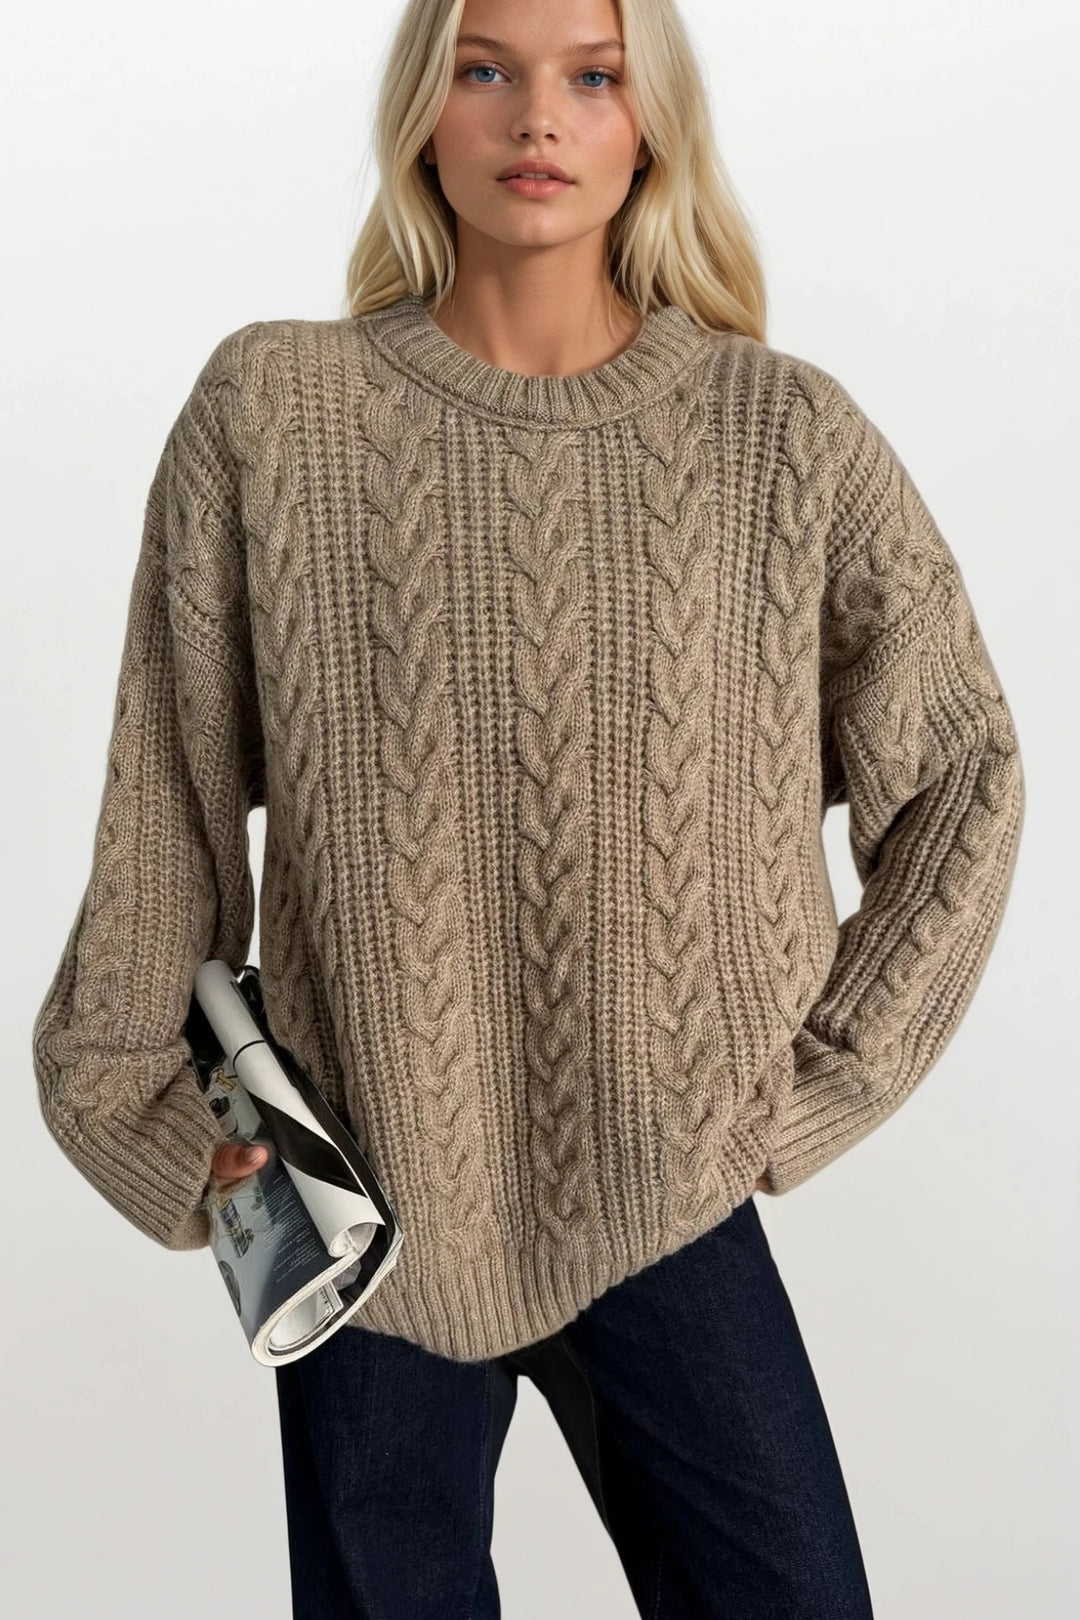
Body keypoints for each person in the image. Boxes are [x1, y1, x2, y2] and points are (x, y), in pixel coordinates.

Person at [31, 0, 1025, 1615]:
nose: (535, 117)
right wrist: (166, 1135)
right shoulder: (272, 414)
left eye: (592, 76)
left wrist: (822, 1080)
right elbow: (169, 811)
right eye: (483, 69)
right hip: (364, 1205)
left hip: (672, 1177)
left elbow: (965, 772)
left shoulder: (783, 437)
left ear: (651, 124)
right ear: (426, 111)